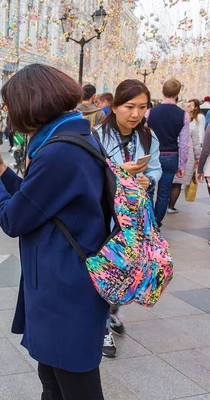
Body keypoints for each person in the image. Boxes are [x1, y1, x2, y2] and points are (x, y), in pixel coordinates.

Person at [0, 63, 109, 399]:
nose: (9, 113)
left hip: (65, 288)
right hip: (62, 279)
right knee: (52, 377)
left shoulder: (59, 152)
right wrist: (4, 171)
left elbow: (14, 219)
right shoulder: (71, 137)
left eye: (11, 105)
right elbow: (42, 200)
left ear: (31, 104)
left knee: (76, 386)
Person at [95, 79, 161, 358]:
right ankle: (101, 329)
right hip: (105, 215)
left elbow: (156, 168)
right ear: (114, 106)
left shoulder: (148, 137)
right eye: (129, 106)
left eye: (142, 107)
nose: (135, 114)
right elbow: (93, 175)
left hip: (134, 218)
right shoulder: (96, 135)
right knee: (106, 269)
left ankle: (111, 312)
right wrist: (121, 173)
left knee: (126, 269)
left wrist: (148, 179)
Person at [145, 78, 191, 226]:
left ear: (162, 91)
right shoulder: (183, 115)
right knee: (164, 194)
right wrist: (182, 165)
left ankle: (149, 222)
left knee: (149, 190)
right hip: (171, 155)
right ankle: (156, 223)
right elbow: (184, 144)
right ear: (177, 94)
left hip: (152, 154)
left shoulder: (150, 112)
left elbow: (144, 135)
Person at [167, 100, 201, 213]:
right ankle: (171, 206)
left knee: (168, 181)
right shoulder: (192, 126)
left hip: (172, 152)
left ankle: (163, 203)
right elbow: (196, 144)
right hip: (187, 156)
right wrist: (198, 157)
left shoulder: (173, 123)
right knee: (177, 183)